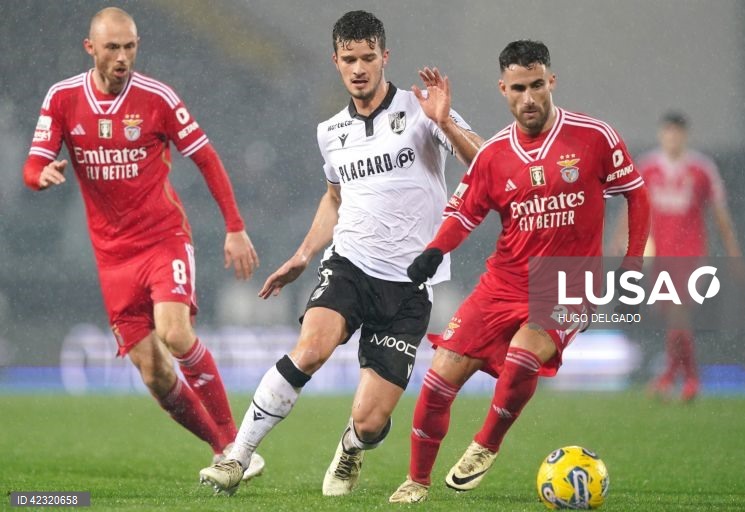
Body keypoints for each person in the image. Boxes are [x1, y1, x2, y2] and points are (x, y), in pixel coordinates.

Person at [199, 9, 483, 497]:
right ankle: (236, 458)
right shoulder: (330, 132)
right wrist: (306, 253)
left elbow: (487, 164)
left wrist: (446, 124)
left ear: (384, 57)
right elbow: (334, 197)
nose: (358, 68)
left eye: (368, 57)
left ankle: (352, 446)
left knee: (371, 422)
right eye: (349, 58)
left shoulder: (422, 108)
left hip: (410, 284)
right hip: (350, 264)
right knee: (310, 349)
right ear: (336, 60)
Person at [389, 39, 651, 503]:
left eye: (536, 85)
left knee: (523, 356)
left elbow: (636, 192)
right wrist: (434, 250)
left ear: (551, 81)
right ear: (502, 90)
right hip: (504, 281)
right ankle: (416, 480)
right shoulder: (494, 155)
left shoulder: (594, 136)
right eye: (517, 89)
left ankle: (485, 445)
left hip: (566, 282)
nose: (528, 98)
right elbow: (464, 213)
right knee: (437, 379)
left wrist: (630, 264)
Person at [22, 7, 265, 475]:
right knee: (154, 374)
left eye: (130, 46)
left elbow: (207, 158)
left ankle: (238, 445)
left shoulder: (157, 98)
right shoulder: (62, 98)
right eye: (112, 47)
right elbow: (32, 166)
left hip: (162, 239)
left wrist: (235, 226)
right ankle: (222, 450)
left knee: (175, 332)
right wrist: (42, 175)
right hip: (111, 257)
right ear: (90, 48)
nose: (122, 57)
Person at [627, 112, 742, 402]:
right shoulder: (648, 167)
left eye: (677, 133)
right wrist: (623, 239)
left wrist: (732, 252)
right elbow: (636, 204)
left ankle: (686, 379)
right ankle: (674, 375)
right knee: (674, 319)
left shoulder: (702, 169)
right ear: (661, 135)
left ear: (684, 136)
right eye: (668, 132)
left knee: (679, 313)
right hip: (661, 254)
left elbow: (719, 214)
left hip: (691, 253)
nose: (672, 138)